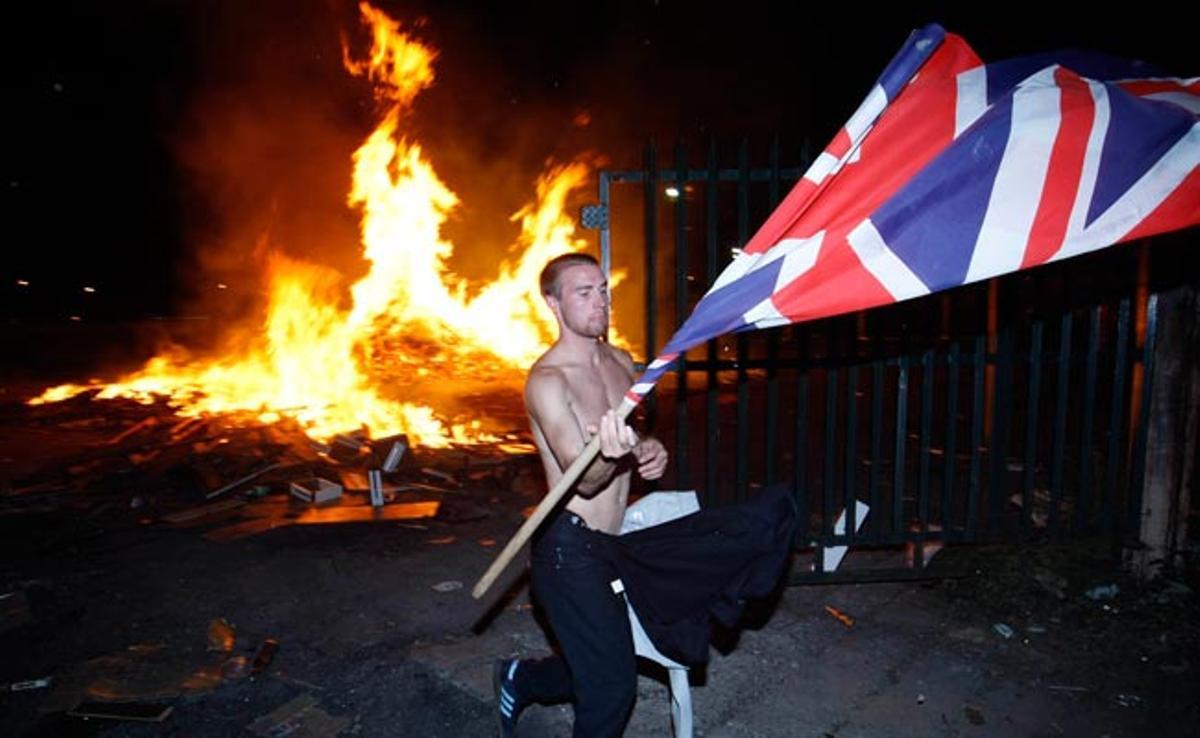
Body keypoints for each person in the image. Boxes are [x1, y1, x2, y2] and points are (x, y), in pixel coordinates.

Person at [494, 252, 668, 738]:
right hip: (568, 549)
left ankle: (521, 677)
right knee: (612, 689)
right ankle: (527, 677)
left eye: (603, 289)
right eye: (584, 293)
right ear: (553, 303)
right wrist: (612, 457)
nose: (600, 302)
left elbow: (638, 438)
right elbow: (585, 479)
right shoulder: (548, 381)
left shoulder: (621, 362)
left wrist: (649, 449)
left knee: (600, 659)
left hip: (615, 542)